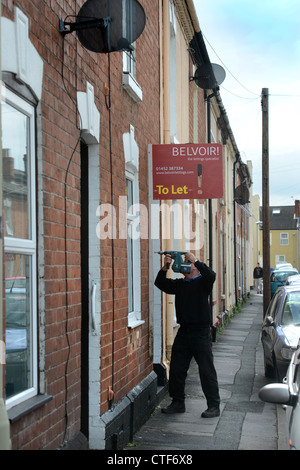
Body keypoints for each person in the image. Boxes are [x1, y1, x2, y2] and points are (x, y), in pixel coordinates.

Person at [155, 252, 220, 418]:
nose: (184, 264)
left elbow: (211, 274)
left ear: (195, 268)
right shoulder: (180, 284)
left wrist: (196, 260)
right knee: (177, 369)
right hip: (184, 332)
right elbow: (160, 283)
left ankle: (213, 406)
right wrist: (166, 266)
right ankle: (178, 403)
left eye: (187, 263)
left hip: (201, 332)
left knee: (206, 371)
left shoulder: (203, 283)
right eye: (184, 262)